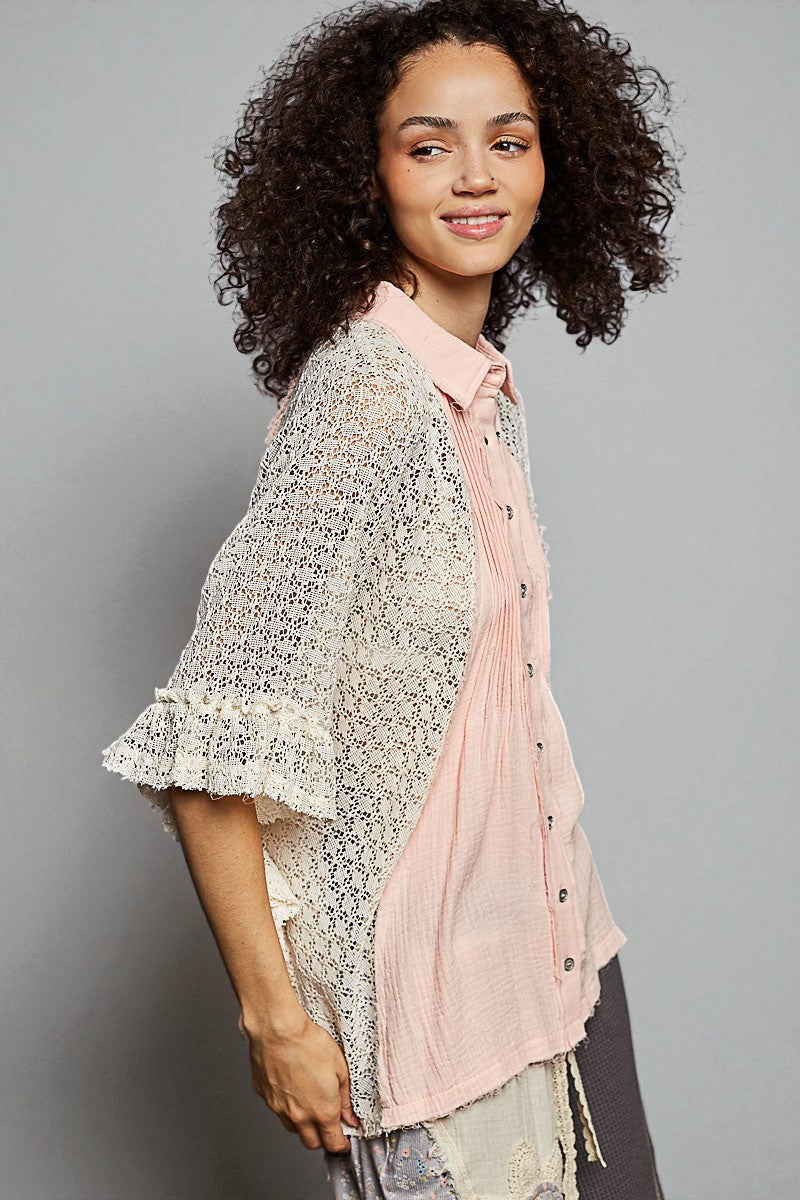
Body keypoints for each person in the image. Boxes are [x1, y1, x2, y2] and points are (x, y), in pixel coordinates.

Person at [101, 1, 681, 1197]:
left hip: (559, 954)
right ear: (365, 177)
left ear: (552, 163)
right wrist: (276, 1024)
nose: (475, 177)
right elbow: (210, 753)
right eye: (428, 145)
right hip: (430, 1015)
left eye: (507, 141)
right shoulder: (366, 398)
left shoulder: (474, 389)